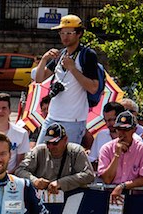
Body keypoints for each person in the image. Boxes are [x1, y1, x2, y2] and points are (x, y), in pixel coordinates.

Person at [31, 14, 101, 145]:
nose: (65, 36)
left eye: (69, 32)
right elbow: (39, 79)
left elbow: (93, 87)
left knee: (66, 161)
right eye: (62, 33)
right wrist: (45, 59)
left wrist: (73, 69)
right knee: (39, 156)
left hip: (73, 120)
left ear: (79, 33)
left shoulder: (87, 55)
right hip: (52, 116)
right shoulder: (61, 54)